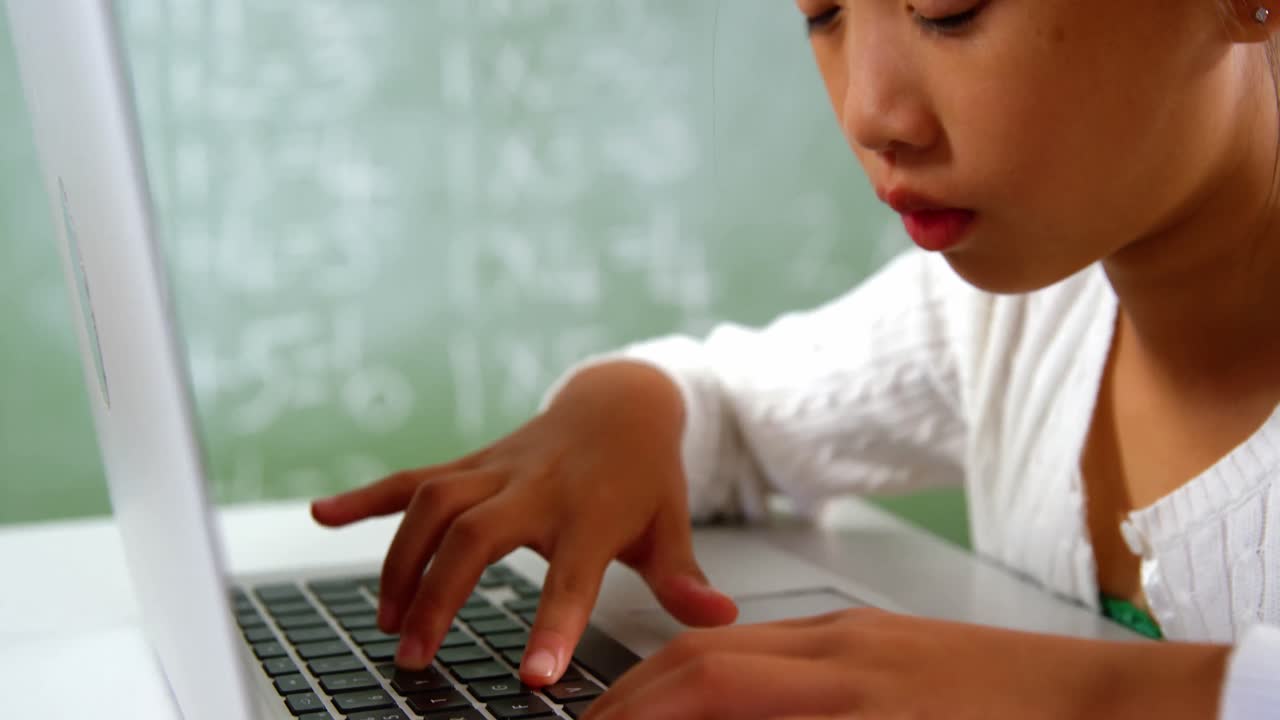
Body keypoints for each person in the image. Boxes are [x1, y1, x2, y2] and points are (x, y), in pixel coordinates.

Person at [311, 0, 1280, 716]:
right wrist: (623, 405)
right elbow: (728, 406)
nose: (867, 111)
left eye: (948, 10)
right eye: (820, 14)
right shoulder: (1003, 323)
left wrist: (1086, 695)